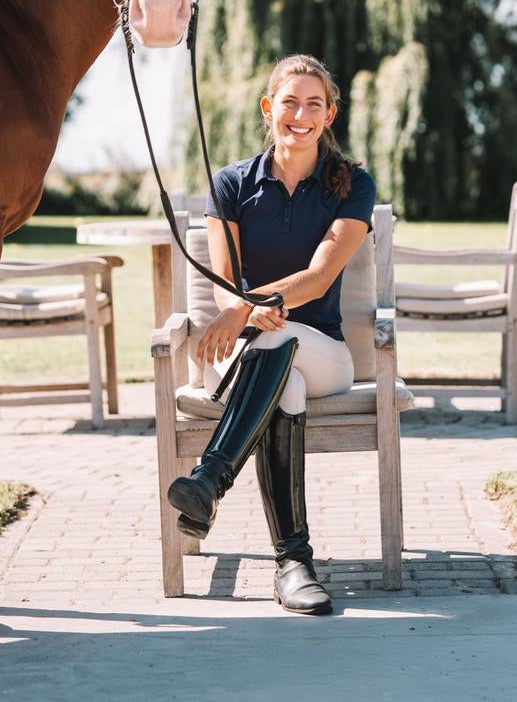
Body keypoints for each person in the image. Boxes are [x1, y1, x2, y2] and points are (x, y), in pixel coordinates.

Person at [168, 54, 375, 615]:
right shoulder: (232, 183)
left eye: (314, 104)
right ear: (269, 108)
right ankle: (294, 564)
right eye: (290, 102)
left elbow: (320, 276)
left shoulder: (352, 184)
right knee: (282, 376)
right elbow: (222, 285)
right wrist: (239, 311)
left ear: (329, 114)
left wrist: (246, 309)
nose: (300, 114)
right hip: (238, 354)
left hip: (326, 353)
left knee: (281, 344)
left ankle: (211, 478)